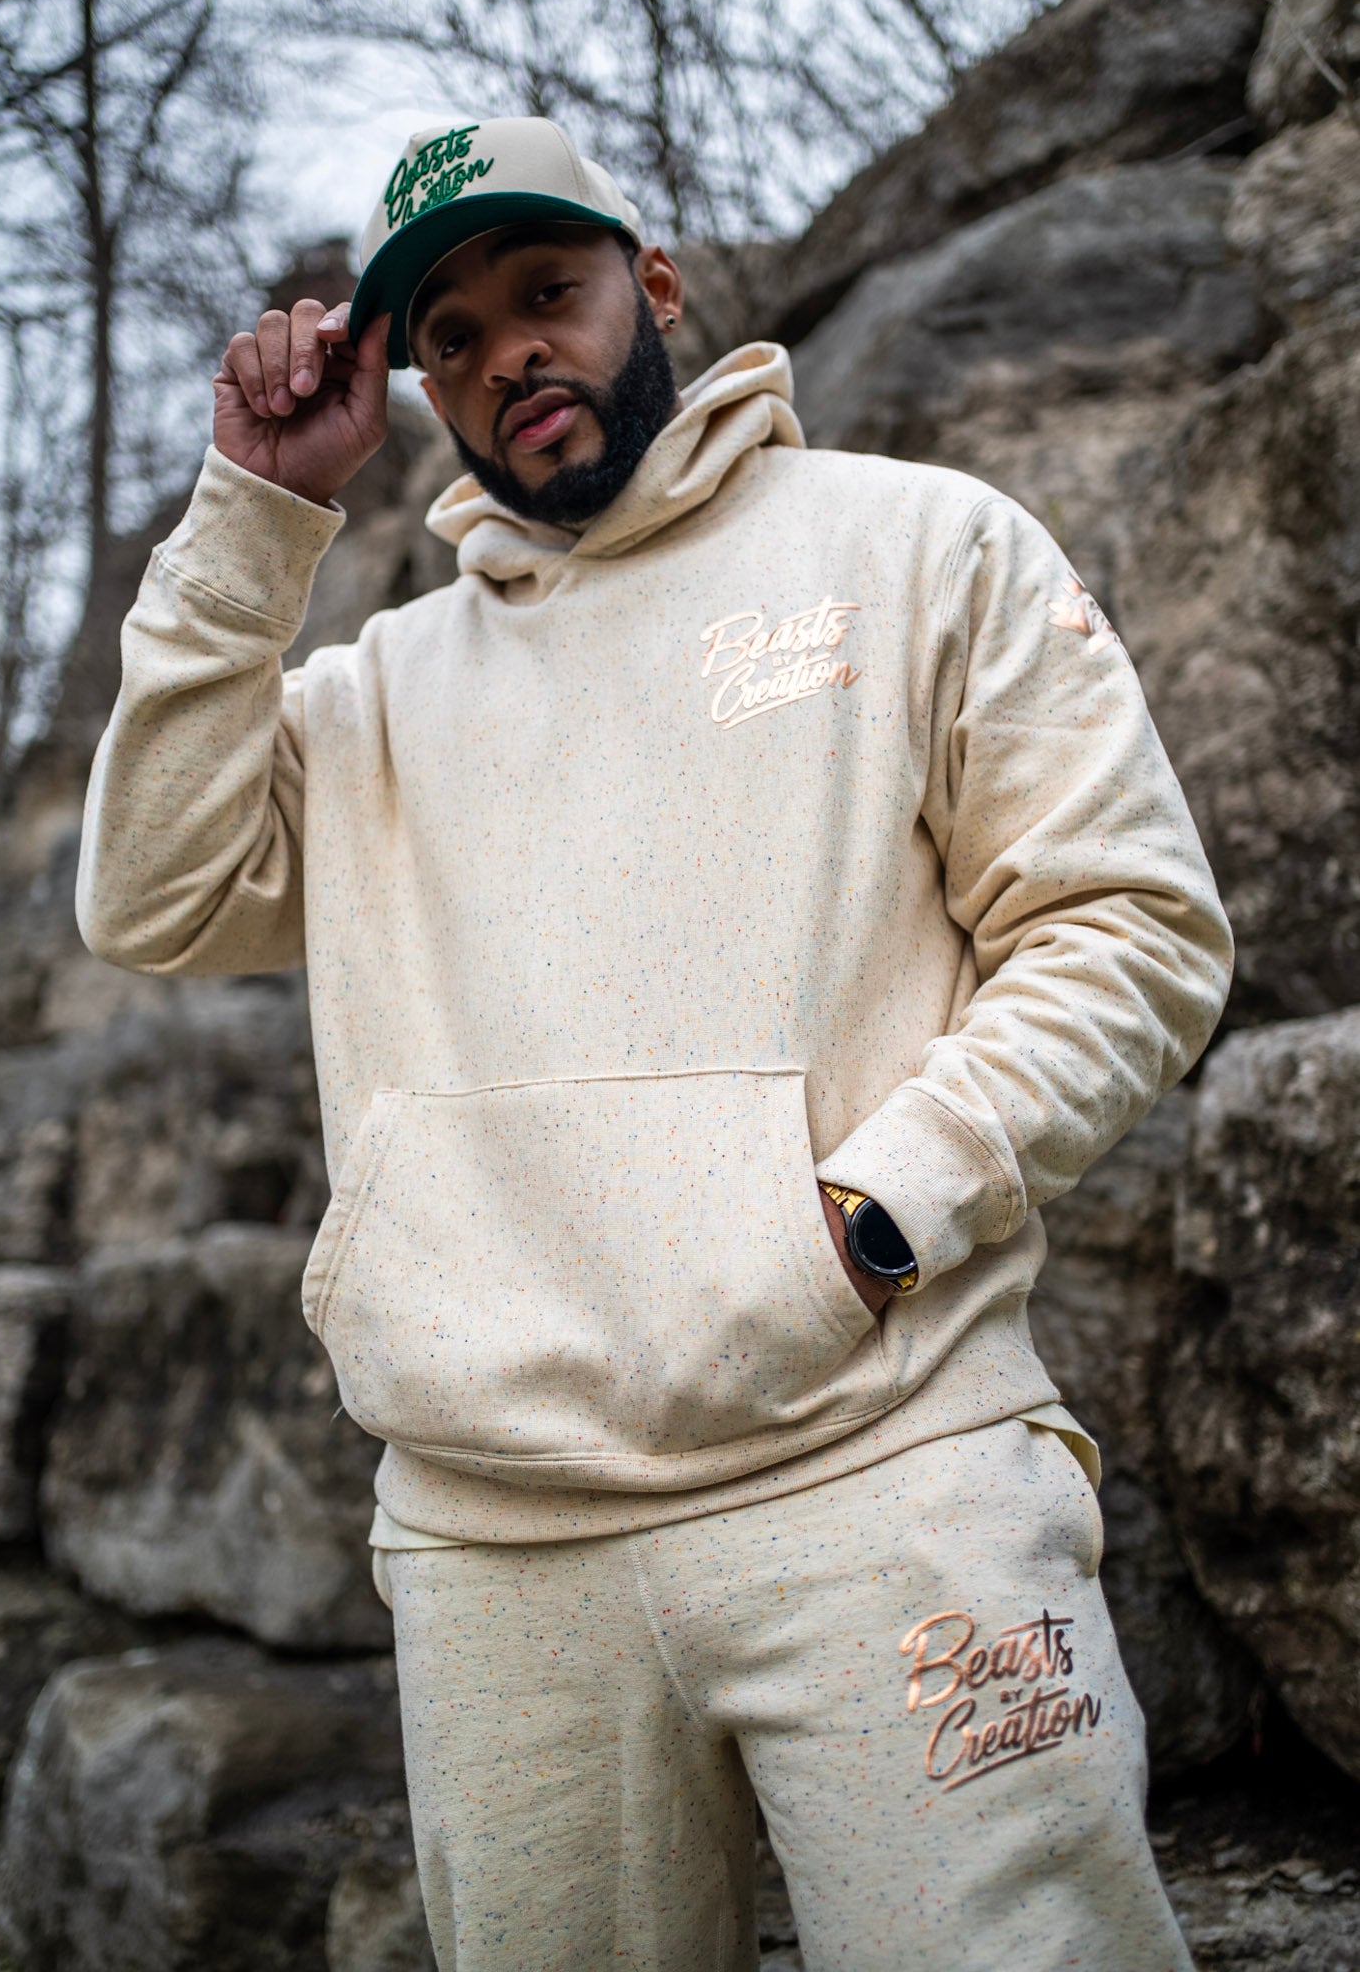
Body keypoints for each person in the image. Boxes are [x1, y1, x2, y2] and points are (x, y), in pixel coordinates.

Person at [77, 115, 1230, 1971]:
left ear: (658, 287)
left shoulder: (916, 546)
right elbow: (147, 897)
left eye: (551, 291)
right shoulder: (373, 705)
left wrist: (873, 1218)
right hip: (499, 1549)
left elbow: (1132, 929)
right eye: (452, 336)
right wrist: (254, 516)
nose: (510, 354)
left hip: (890, 1480)